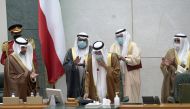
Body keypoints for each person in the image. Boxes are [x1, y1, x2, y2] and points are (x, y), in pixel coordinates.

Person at [110, 29, 142, 103]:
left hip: (131, 75)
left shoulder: (132, 45)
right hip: (118, 75)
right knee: (119, 97)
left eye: (121, 36)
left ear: (125, 35)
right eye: (117, 37)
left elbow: (137, 59)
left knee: (131, 97)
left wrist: (124, 58)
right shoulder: (113, 46)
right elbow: (110, 58)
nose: (119, 38)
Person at [3, 37, 38, 102]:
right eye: (22, 47)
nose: (25, 49)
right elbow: (10, 78)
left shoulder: (28, 58)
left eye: (26, 47)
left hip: (29, 94)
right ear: (17, 47)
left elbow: (31, 75)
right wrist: (27, 76)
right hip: (17, 95)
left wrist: (32, 79)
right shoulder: (10, 59)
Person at [160, 33, 190, 103]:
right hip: (171, 82)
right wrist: (167, 66)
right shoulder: (170, 52)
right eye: (175, 41)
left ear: (183, 41)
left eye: (178, 41)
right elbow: (162, 66)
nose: (176, 43)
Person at [63, 32, 90, 98]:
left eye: (84, 40)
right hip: (74, 78)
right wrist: (73, 63)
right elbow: (65, 65)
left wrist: (86, 64)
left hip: (87, 77)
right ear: (77, 40)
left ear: (87, 41)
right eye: (80, 40)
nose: (82, 42)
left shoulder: (91, 50)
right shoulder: (71, 51)